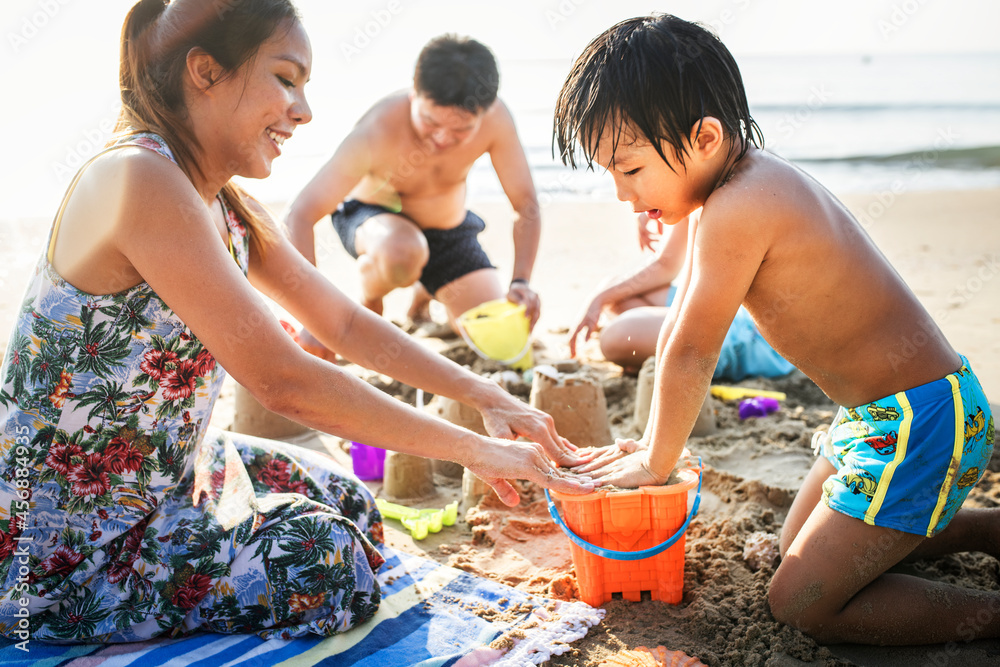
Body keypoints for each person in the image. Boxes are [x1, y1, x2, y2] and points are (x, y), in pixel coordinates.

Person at [0, 0, 592, 644]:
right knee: (324, 556)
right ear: (205, 71)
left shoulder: (221, 199)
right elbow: (283, 381)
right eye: (286, 79)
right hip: (59, 548)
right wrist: (477, 451)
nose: (303, 111)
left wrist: (485, 395)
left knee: (353, 505)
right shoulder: (138, 177)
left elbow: (341, 321)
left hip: (169, 485)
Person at [554, 14, 997, 646]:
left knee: (801, 601)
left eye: (630, 170)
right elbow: (680, 314)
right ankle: (979, 531)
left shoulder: (743, 205)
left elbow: (691, 346)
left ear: (703, 137)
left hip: (920, 422)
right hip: (878, 419)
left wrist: (656, 462)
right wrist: (659, 203)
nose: (623, 194)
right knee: (795, 546)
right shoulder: (733, 186)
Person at [284, 34, 543, 360]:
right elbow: (301, 214)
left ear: (486, 110)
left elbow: (526, 204)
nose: (442, 138)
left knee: (501, 344)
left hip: (448, 232)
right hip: (375, 223)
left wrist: (521, 281)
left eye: (461, 130)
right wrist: (313, 317)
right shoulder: (377, 129)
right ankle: (371, 295)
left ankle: (424, 293)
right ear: (414, 93)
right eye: (431, 122)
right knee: (403, 252)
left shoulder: (497, 119)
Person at [569, 210, 794, 381]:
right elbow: (665, 266)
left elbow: (665, 265)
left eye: (633, 171)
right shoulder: (692, 173)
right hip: (721, 307)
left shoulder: (720, 187)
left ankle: (671, 353)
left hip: (753, 333)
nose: (625, 196)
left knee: (614, 336)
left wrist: (596, 299)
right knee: (617, 299)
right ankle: (663, 350)